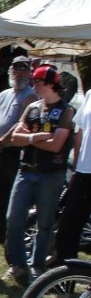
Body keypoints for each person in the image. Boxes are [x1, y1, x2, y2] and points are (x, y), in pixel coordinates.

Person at [3, 65, 75, 284]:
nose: (34, 86)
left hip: (51, 174)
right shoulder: (33, 107)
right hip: (26, 170)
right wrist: (38, 137)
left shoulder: (66, 110)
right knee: (12, 220)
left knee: (44, 223)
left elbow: (56, 145)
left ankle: (37, 266)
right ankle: (17, 265)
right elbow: (15, 138)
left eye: (38, 82)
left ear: (51, 84)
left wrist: (31, 137)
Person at [0, 56, 38, 242]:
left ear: (29, 72)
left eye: (23, 69)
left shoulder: (31, 96)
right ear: (10, 70)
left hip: (15, 151)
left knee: (13, 195)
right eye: (16, 68)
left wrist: (1, 141)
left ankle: (13, 233)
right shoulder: (4, 94)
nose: (19, 72)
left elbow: (21, 123)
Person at [53, 89, 91, 263]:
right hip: (84, 172)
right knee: (67, 227)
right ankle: (65, 282)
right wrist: (75, 168)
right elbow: (80, 134)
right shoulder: (90, 94)